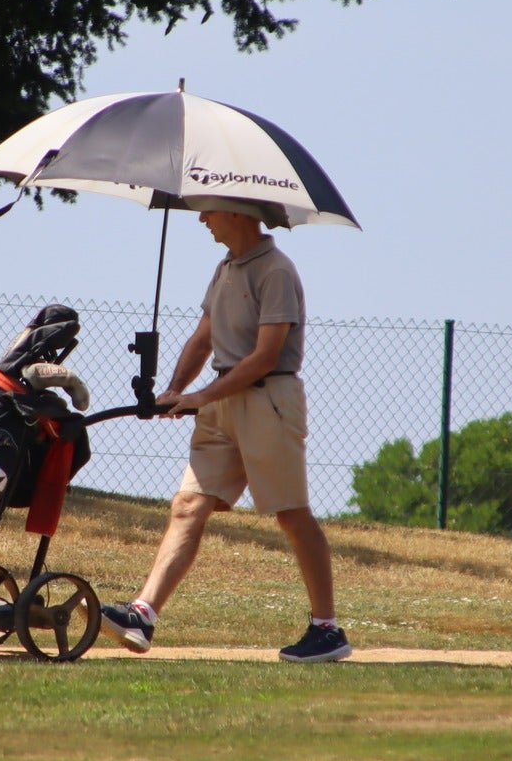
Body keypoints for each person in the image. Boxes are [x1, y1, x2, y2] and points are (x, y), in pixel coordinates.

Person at [99, 198, 351, 663]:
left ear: (235, 212)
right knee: (188, 504)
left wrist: (201, 396)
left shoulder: (276, 271)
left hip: (268, 401)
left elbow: (265, 357)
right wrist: (176, 390)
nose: (201, 219)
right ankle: (143, 614)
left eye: (209, 210)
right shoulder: (225, 269)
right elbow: (203, 338)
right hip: (220, 403)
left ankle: (327, 629)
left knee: (290, 513)